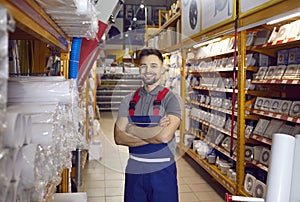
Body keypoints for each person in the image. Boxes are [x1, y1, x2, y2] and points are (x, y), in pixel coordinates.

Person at [114, 48, 182, 202]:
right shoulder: (128, 100)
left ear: (162, 69)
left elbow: (165, 137)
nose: (148, 70)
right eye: (143, 66)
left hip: (162, 171)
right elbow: (118, 137)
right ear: (139, 69)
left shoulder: (172, 99)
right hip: (134, 171)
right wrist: (156, 131)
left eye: (153, 66)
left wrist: (131, 129)